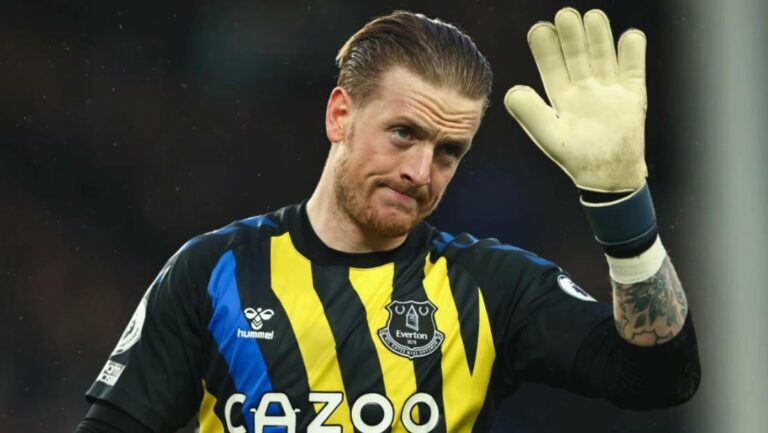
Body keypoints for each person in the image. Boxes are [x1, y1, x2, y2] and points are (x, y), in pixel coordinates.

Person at [75, 8, 700, 433]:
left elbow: (660, 379)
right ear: (340, 115)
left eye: (448, 151)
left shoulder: (490, 287)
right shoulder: (214, 272)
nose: (420, 171)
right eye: (403, 133)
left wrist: (623, 206)